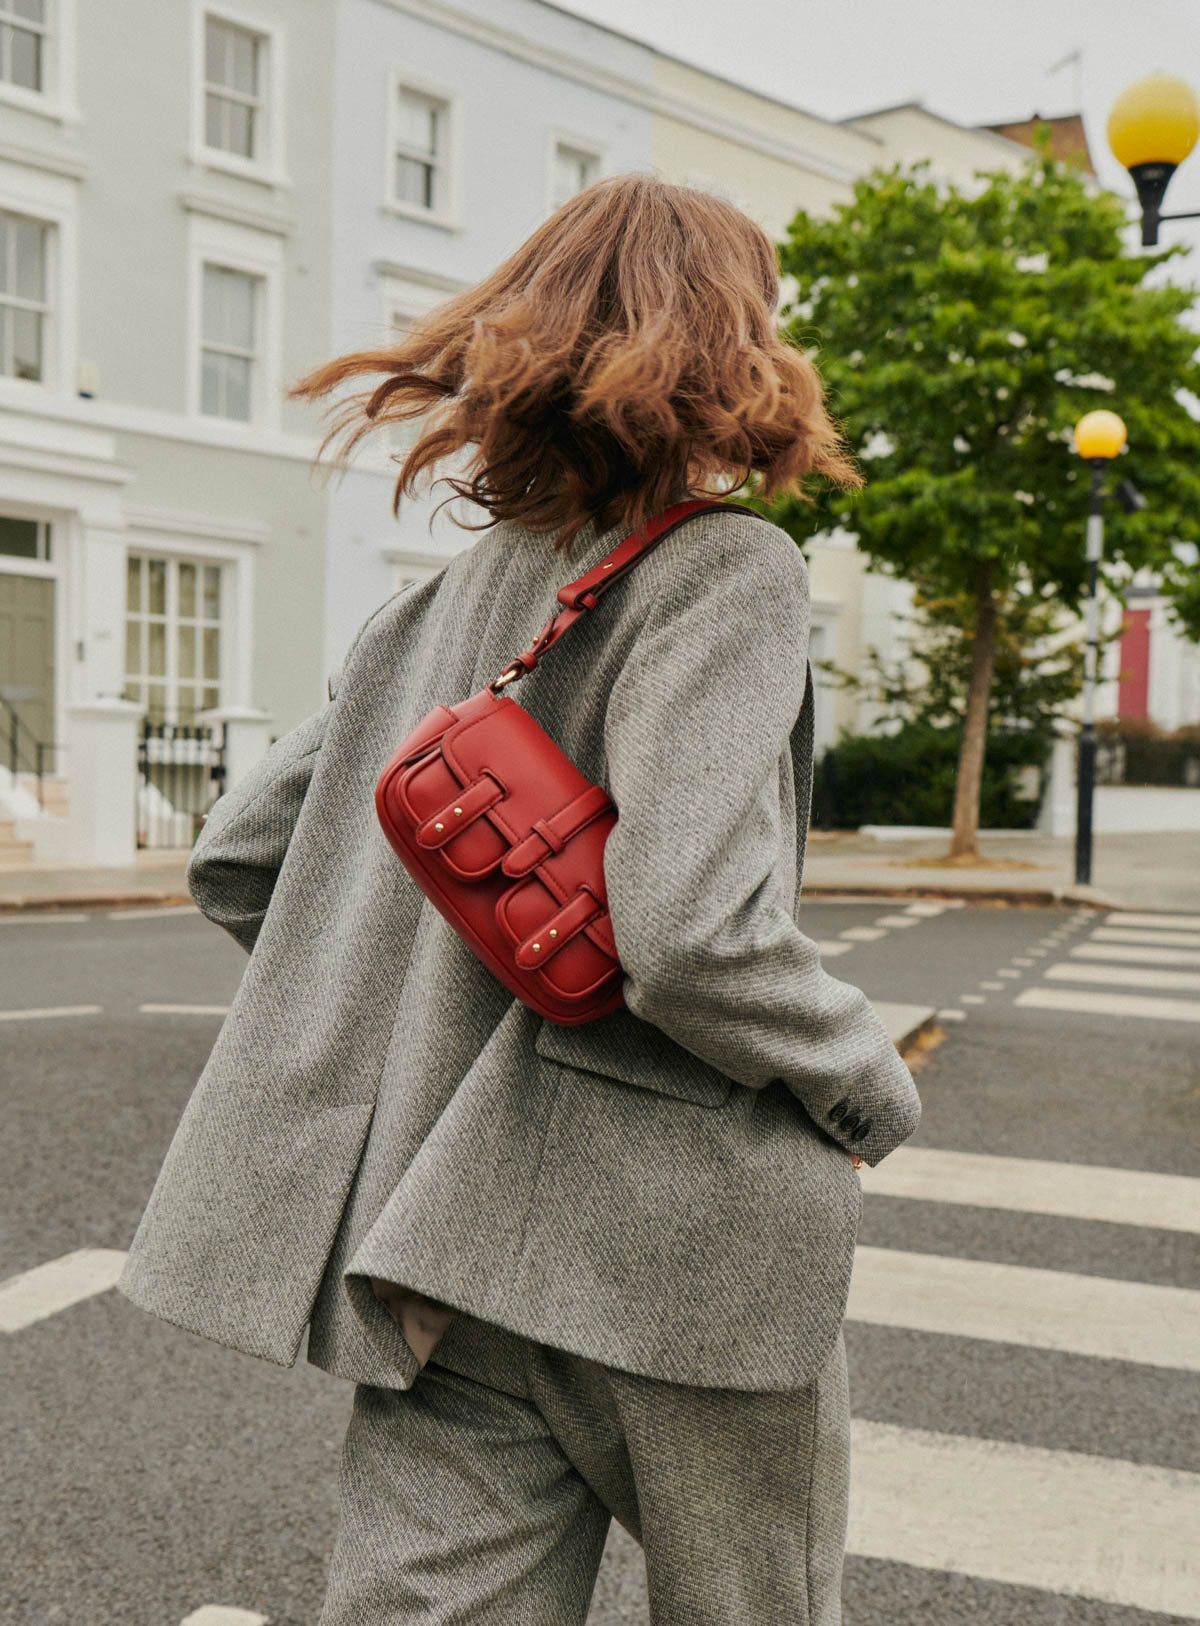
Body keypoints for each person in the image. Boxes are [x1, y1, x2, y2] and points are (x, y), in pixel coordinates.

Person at [117, 171, 922, 1626]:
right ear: (734, 347)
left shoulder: (433, 606)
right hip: (683, 1261)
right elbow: (688, 932)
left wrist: (420, 1019)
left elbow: (241, 854)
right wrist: (863, 1083)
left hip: (444, 1254)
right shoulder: (728, 572)